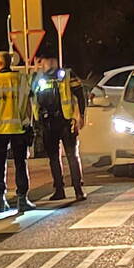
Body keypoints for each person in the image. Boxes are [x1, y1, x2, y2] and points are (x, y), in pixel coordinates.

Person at [0, 51, 34, 213]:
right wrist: (29, 124)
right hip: (19, 129)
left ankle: (1, 199)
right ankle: (22, 198)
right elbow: (29, 105)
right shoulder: (22, 79)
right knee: (21, 163)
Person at [33, 53, 87, 201]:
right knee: (53, 158)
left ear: (56, 61)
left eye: (50, 60)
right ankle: (59, 189)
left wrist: (81, 116)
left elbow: (80, 95)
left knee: (71, 156)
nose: (48, 63)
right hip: (48, 122)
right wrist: (36, 71)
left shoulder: (67, 75)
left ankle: (78, 189)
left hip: (66, 121)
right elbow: (32, 95)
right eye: (44, 61)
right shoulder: (39, 78)